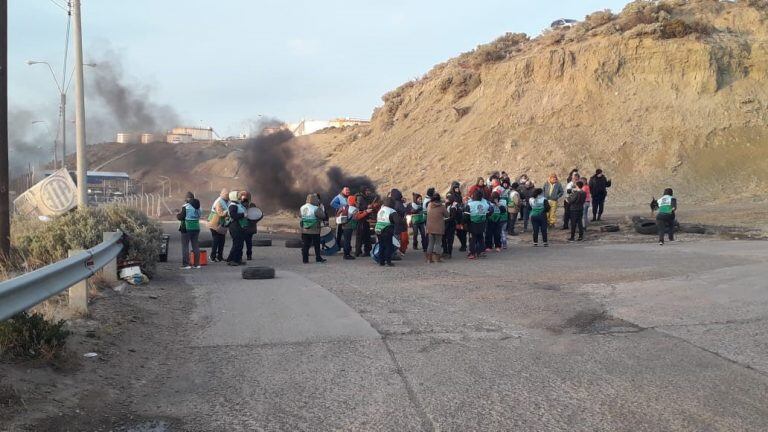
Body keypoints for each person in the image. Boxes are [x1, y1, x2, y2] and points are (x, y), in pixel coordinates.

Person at [299, 193, 328, 264]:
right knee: (316, 245)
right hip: (314, 230)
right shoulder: (316, 208)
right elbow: (323, 216)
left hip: (304, 230)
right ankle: (318, 258)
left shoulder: (302, 207)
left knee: (306, 245)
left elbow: (300, 216)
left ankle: (305, 260)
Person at [177, 192, 201, 269]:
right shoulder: (199, 207)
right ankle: (197, 264)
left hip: (186, 228)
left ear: (187, 199)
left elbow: (181, 217)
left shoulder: (186, 207)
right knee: (195, 246)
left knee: (185, 246)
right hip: (196, 227)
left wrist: (178, 214)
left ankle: (186, 264)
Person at [375, 197, 401, 267]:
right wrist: (397, 231)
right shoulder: (392, 211)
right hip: (387, 229)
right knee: (388, 246)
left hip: (378, 229)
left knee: (381, 245)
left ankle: (381, 261)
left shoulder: (381, 210)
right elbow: (397, 222)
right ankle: (388, 261)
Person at [425, 193, 449, 263]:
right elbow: (447, 215)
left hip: (430, 227)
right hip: (439, 227)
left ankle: (429, 259)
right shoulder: (442, 206)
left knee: (431, 243)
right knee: (438, 243)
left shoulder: (429, 205)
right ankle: (437, 259)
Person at [226, 191, 248, 266]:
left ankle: (238, 259)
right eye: (238, 195)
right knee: (237, 243)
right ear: (234, 197)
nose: (240, 196)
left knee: (240, 243)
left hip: (239, 226)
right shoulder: (233, 205)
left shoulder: (237, 204)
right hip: (235, 226)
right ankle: (233, 260)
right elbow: (233, 215)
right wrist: (243, 215)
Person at [466, 189, 489, 260]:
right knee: (481, 237)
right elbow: (489, 212)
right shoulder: (485, 204)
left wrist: (465, 223)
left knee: (473, 238)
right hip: (482, 223)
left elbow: (466, 215)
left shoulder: (470, 204)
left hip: (473, 223)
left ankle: (472, 253)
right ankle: (481, 251)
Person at [208, 188, 229, 262]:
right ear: (222, 194)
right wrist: (227, 212)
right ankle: (212, 256)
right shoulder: (219, 202)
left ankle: (220, 257)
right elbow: (220, 213)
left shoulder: (225, 201)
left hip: (221, 224)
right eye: (226, 195)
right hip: (215, 224)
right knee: (216, 241)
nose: (227, 196)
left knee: (222, 241)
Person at [354, 187, 376, 257]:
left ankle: (367, 251)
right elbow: (359, 207)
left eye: (368, 190)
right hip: (361, 220)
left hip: (365, 219)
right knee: (360, 236)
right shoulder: (360, 198)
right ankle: (358, 252)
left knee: (367, 236)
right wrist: (367, 207)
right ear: (363, 191)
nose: (368, 192)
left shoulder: (365, 197)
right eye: (367, 191)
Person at [341, 195, 362, 260]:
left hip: (344, 225)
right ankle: (346, 255)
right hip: (349, 226)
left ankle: (346, 253)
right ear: (354, 201)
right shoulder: (354, 209)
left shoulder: (345, 207)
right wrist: (366, 212)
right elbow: (358, 217)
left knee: (346, 240)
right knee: (348, 240)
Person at [331, 186, 351, 252]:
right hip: (340, 218)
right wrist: (341, 207)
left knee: (346, 233)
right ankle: (337, 247)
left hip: (347, 218)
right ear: (343, 191)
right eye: (346, 190)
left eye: (348, 190)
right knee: (339, 233)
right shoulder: (338, 197)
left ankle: (347, 247)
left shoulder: (348, 197)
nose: (348, 191)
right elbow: (332, 203)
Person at [449, 181, 468, 252]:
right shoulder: (450, 195)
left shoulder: (459, 195)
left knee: (462, 231)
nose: (457, 189)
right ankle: (463, 244)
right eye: (456, 188)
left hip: (461, 215)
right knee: (459, 232)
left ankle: (464, 245)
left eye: (458, 188)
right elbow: (450, 204)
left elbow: (461, 203)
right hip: (456, 215)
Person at [442, 192, 460, 259]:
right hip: (446, 225)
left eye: (447, 199)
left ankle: (448, 253)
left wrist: (444, 220)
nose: (446, 200)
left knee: (449, 240)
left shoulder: (453, 207)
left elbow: (452, 218)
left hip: (450, 225)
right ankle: (445, 252)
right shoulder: (446, 206)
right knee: (444, 239)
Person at [241, 191, 257, 260]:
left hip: (247, 227)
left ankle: (247, 255)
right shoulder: (251, 204)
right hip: (247, 227)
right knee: (246, 242)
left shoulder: (242, 205)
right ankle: (248, 255)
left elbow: (256, 215)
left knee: (246, 242)